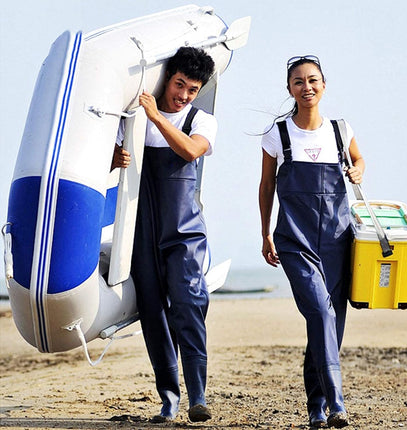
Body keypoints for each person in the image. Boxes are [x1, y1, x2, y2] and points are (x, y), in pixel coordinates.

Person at [258, 55, 365, 429]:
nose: (307, 87)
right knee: (320, 314)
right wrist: (265, 231)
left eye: (313, 80)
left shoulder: (340, 129)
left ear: (323, 85)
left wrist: (357, 170)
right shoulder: (278, 134)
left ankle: (316, 407)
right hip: (294, 240)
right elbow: (267, 184)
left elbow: (359, 160)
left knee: (329, 325)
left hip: (338, 240)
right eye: (299, 82)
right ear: (289, 89)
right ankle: (337, 404)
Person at [113, 46, 217, 423]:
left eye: (192, 89)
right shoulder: (135, 119)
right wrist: (116, 158)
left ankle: (198, 397)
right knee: (154, 315)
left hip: (184, 232)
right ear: (167, 79)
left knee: (188, 307)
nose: (184, 94)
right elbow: (105, 162)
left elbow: (191, 151)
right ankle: (169, 399)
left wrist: (156, 116)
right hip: (141, 234)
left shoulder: (200, 120)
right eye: (179, 85)